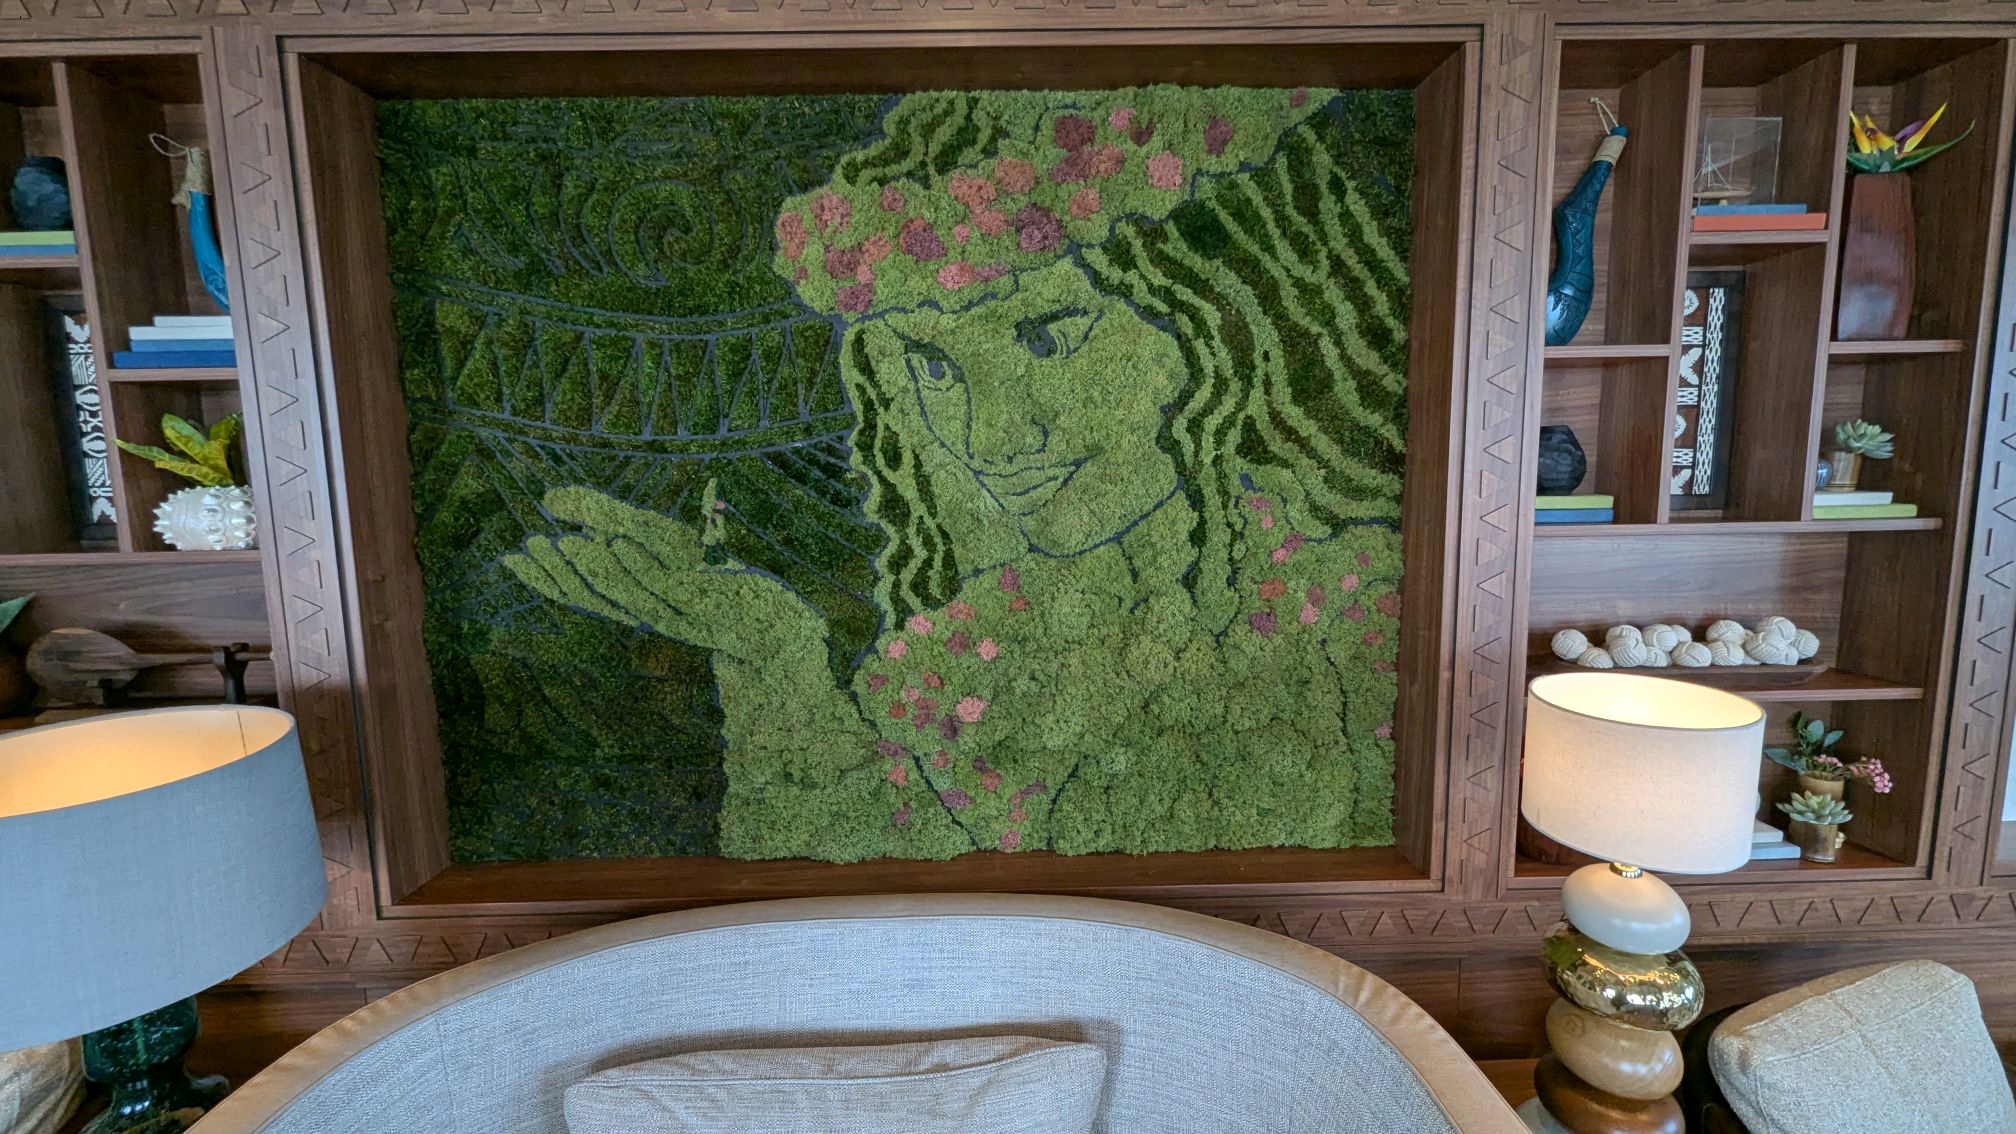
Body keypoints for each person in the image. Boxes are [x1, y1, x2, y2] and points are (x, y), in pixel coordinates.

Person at [509, 85, 1413, 862]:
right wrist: (773, 658)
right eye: (935, 368)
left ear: (1215, 320)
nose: (994, 438)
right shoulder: (961, 656)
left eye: (1050, 337)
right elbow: (865, 888)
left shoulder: (1364, 612)